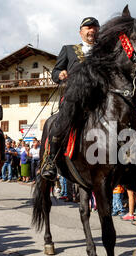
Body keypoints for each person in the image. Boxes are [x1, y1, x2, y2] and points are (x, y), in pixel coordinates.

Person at [42, 17, 100, 180]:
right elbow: (56, 71)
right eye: (88, 27)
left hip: (98, 99)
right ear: (81, 32)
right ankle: (50, 161)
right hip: (74, 98)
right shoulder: (68, 49)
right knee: (61, 123)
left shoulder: (104, 51)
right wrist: (59, 74)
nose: (92, 30)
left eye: (95, 27)